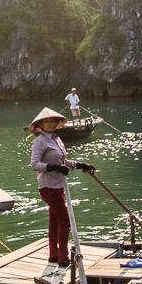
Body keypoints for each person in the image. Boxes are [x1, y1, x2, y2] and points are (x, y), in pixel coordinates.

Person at [29, 107, 95, 266]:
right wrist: (55, 167)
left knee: (55, 222)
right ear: (41, 124)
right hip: (48, 187)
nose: (50, 123)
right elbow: (34, 164)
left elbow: (62, 161)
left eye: (53, 121)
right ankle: (63, 258)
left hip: (58, 186)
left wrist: (80, 165)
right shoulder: (39, 141)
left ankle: (53, 255)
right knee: (65, 222)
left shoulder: (56, 139)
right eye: (47, 121)